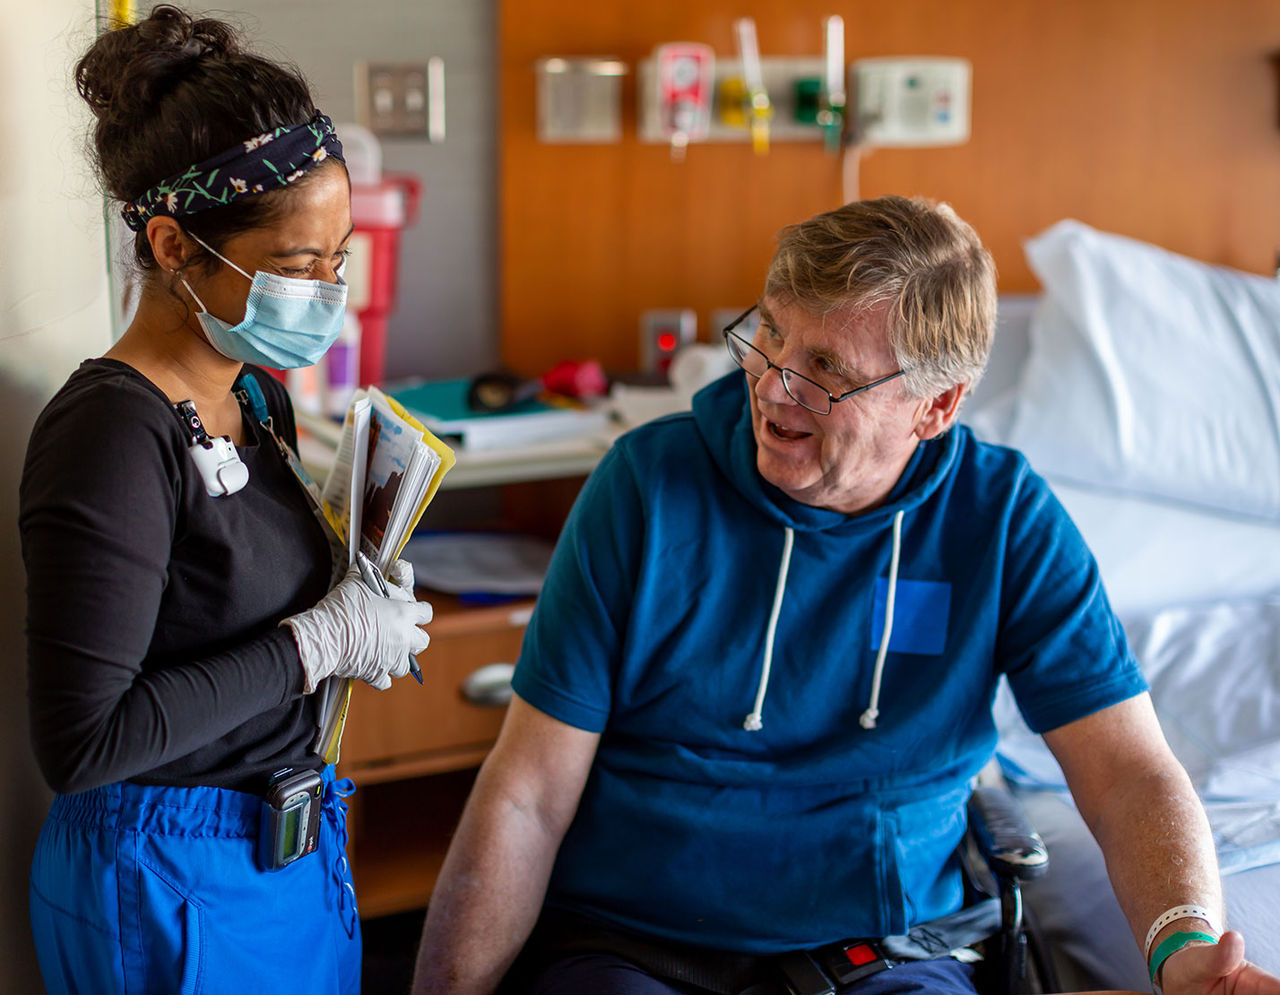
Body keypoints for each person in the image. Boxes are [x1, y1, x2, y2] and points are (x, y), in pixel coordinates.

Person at [412, 196, 1280, 995]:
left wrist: (1186, 950)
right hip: (634, 945)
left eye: (825, 368)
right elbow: (527, 792)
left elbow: (1128, 773)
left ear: (935, 407)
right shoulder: (645, 489)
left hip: (885, 954)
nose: (775, 387)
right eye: (771, 337)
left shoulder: (1002, 520)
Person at [21, 6, 432, 992]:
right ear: (171, 244)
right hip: (165, 871)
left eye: (338, 259)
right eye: (297, 265)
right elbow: (84, 743)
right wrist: (317, 642)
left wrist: (361, 584)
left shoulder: (257, 393)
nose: (327, 292)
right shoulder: (112, 432)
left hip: (281, 847)